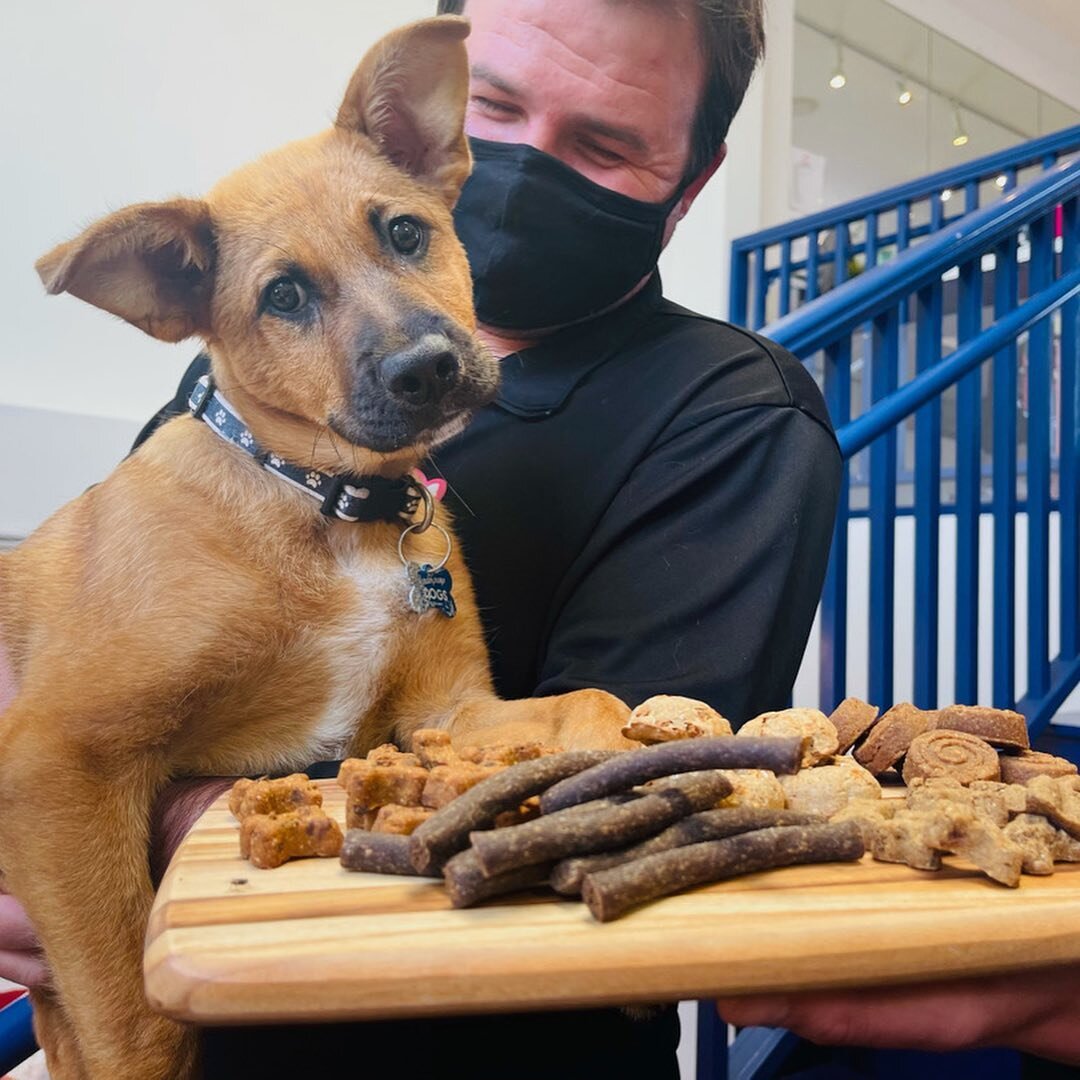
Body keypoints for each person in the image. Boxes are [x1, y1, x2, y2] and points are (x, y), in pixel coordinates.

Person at [2, 0, 1076, 1076]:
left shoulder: (734, 422)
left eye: (604, 142)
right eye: (504, 104)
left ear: (690, 186)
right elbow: (55, 760)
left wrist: (142, 834)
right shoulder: (217, 428)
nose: (408, 346)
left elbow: (564, 811)